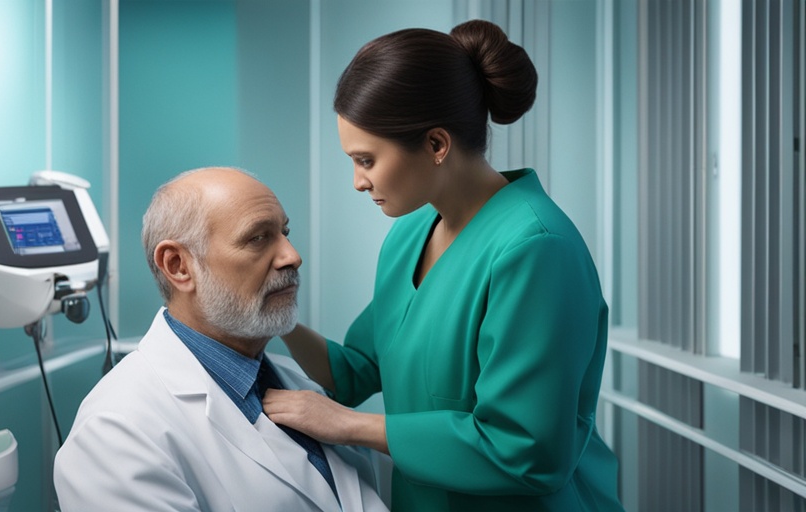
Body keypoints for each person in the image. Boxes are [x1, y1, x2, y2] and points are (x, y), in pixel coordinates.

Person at [261, 20, 625, 511]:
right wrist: (275, 314)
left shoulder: (537, 250)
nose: (357, 182)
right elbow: (355, 372)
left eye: (367, 160)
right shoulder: (408, 236)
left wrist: (349, 426)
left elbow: (528, 452)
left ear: (436, 144)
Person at [53, 167, 390, 512]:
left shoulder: (293, 383)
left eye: (284, 232)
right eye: (258, 238)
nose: (292, 256)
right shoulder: (117, 433)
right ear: (178, 266)